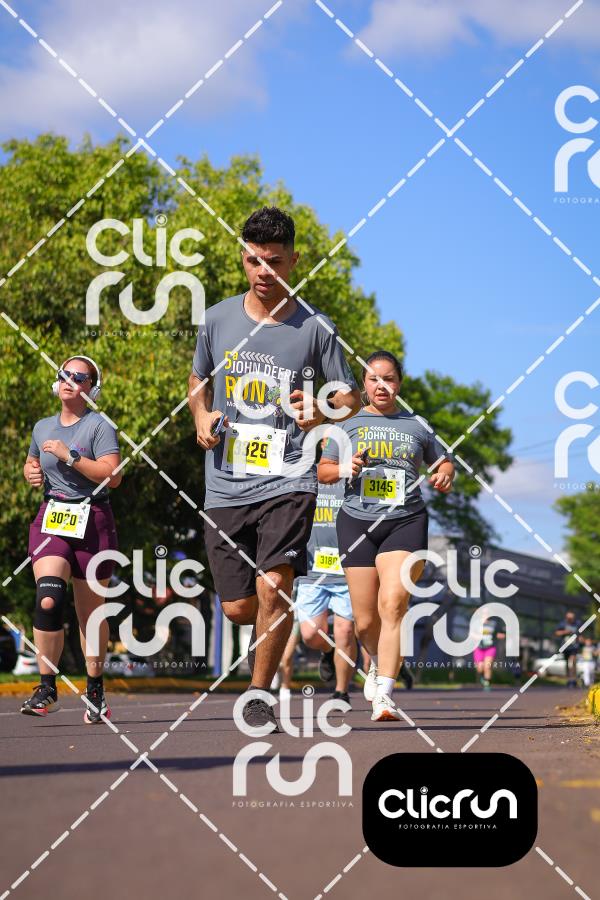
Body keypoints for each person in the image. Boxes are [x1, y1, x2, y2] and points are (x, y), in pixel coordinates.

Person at [189, 207, 360, 730]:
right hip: (226, 482)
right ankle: (265, 641)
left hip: (290, 476)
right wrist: (201, 416)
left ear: (294, 261)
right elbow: (198, 381)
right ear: (242, 258)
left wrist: (322, 409)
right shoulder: (217, 319)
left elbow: (350, 397)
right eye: (253, 261)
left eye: (275, 261)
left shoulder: (315, 327)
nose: (263, 271)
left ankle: (259, 693)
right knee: (239, 609)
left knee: (274, 586)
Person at [318, 350, 454, 722]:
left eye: (389, 379)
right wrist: (345, 467)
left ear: (399, 383)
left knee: (393, 604)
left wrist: (445, 472)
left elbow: (443, 461)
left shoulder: (417, 425)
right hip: (357, 523)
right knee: (364, 622)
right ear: (364, 384)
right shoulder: (347, 424)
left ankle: (386, 694)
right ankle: (377, 661)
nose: (382, 385)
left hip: (405, 521)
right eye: (374, 379)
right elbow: (324, 471)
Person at [20, 356, 122, 722]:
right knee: (48, 598)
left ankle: (95, 689)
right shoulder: (42, 426)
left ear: (92, 388)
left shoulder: (99, 426)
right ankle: (47, 688)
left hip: (93, 521)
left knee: (89, 615)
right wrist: (31, 472)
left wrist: (71, 456)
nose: (69, 380)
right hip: (53, 518)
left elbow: (113, 476)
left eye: (79, 377)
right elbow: (32, 463)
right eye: (64, 374)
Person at [295, 478, 357, 705]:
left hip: (346, 571)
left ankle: (341, 691)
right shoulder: (306, 477)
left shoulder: (354, 479)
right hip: (312, 571)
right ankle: (329, 651)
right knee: (310, 635)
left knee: (345, 631)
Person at [473, 617, 505, 690]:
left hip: (490, 648)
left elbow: (502, 634)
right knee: (480, 668)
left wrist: (496, 636)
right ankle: (482, 677)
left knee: (487, 666)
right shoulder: (476, 624)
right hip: (478, 648)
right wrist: (477, 636)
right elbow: (471, 634)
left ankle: (487, 684)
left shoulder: (494, 624)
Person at [555, 610, 581, 688]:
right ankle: (569, 680)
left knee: (573, 662)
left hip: (574, 646)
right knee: (567, 664)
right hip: (566, 647)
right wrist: (565, 632)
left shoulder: (577, 624)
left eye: (571, 618)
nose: (570, 620)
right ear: (566, 618)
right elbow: (557, 633)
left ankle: (574, 680)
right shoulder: (562, 624)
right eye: (568, 618)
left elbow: (580, 634)